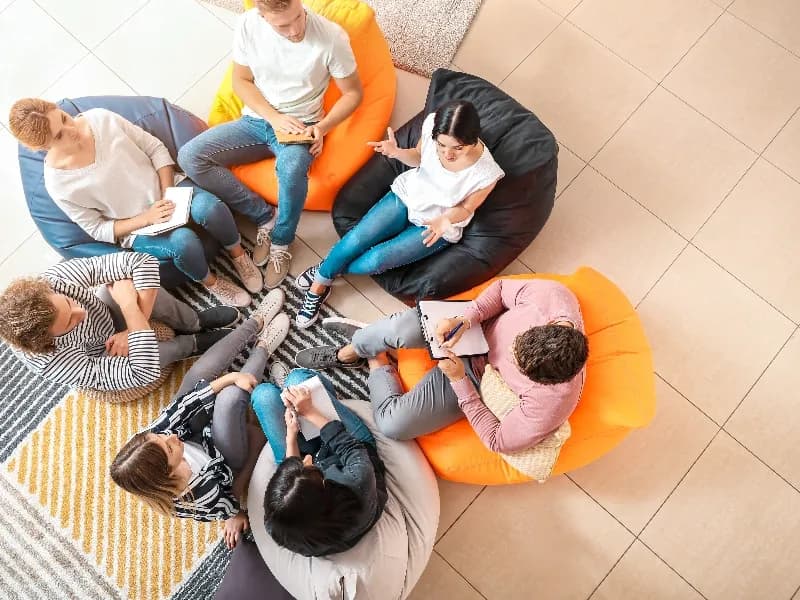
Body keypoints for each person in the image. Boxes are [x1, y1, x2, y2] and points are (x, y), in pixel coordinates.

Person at [178, 0, 363, 290]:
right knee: (190, 156)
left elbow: (353, 94)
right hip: (257, 120)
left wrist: (321, 128)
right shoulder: (248, 25)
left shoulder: (331, 37)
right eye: (283, 25)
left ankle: (282, 240)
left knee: (291, 168)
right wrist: (274, 117)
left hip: (302, 125)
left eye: (298, 17)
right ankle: (265, 216)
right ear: (262, 16)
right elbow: (241, 80)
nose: (296, 30)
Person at [8, 98, 260, 308]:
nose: (71, 129)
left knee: (211, 208)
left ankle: (238, 256)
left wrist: (167, 191)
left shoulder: (100, 119)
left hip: (167, 190)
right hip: (138, 226)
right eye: (59, 135)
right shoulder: (58, 183)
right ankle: (213, 283)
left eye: (63, 117)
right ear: (43, 147)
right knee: (183, 243)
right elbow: (97, 230)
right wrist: (147, 218)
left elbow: (155, 149)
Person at [295, 278, 589, 454]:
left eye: (517, 363)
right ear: (546, 325)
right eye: (517, 345)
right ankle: (351, 352)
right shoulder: (551, 298)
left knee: (393, 425)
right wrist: (466, 318)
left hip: (476, 379)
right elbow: (500, 291)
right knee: (399, 328)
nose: (508, 352)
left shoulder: (553, 402)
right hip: (472, 326)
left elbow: (498, 440)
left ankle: (377, 358)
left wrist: (461, 381)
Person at [294, 100, 505, 328]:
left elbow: (466, 208)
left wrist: (446, 219)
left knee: (376, 260)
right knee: (355, 240)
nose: (447, 153)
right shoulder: (432, 122)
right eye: (441, 145)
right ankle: (319, 285)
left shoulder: (487, 173)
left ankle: (326, 268)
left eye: (457, 148)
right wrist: (396, 153)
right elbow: (418, 157)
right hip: (408, 195)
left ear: (472, 141)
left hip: (436, 225)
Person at [109, 291, 290, 549]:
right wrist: (235, 513)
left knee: (201, 374)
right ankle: (263, 348)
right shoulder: (200, 497)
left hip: (194, 428)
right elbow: (232, 497)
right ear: (169, 473)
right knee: (230, 398)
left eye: (160, 437)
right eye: (169, 448)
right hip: (222, 454)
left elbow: (184, 406)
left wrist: (229, 377)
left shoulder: (151, 441)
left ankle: (255, 322)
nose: (170, 436)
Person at [0, 252, 241, 392]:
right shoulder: (50, 361)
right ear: (49, 341)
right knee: (151, 352)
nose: (80, 311)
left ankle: (193, 321)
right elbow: (141, 372)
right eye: (69, 323)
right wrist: (129, 308)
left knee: (132, 285)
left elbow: (141, 262)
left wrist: (132, 324)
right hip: (103, 353)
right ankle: (191, 345)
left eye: (68, 302)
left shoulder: (53, 281)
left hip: (108, 315)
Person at [250, 367, 387, 557]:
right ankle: (300, 390)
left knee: (262, 395)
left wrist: (291, 437)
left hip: (318, 471)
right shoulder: (358, 483)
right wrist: (310, 412)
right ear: (325, 485)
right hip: (352, 449)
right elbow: (350, 447)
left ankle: (288, 393)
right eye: (308, 465)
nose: (307, 459)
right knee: (297, 379)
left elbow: (295, 478)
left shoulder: (277, 524)